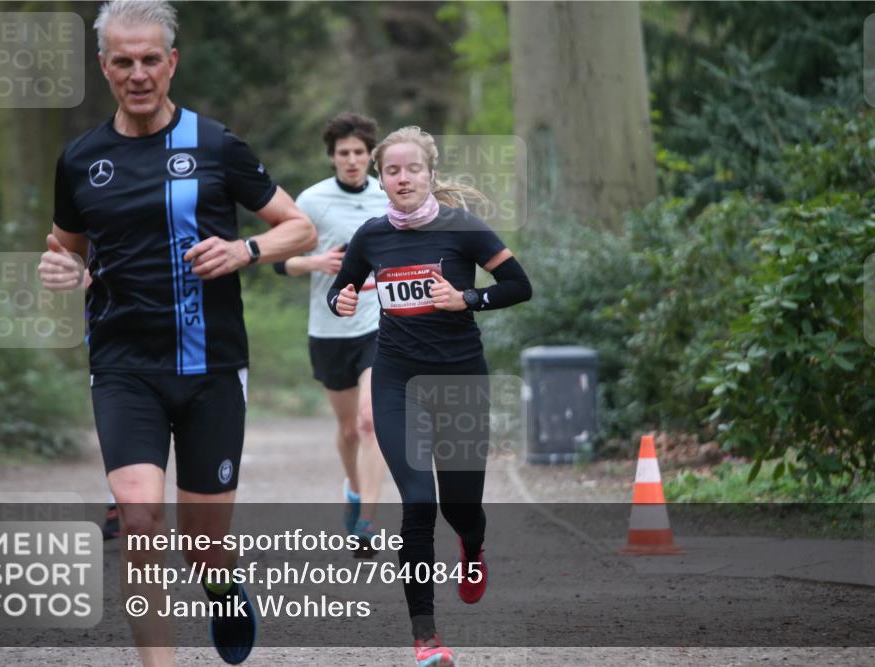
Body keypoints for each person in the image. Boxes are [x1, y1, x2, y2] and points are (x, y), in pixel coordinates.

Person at [37, 2, 316, 665]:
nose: (138, 74)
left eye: (150, 60)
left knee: (202, 544)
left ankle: (220, 583)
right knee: (138, 520)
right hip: (124, 364)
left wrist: (245, 250)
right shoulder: (80, 160)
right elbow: (66, 245)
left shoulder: (216, 144)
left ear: (172, 63)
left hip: (211, 366)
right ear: (104, 67)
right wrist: (63, 267)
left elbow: (299, 226)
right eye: (123, 61)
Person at [328, 127, 532, 667]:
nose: (402, 178)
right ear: (381, 179)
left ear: (430, 175)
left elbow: (518, 285)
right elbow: (341, 287)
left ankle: (471, 545)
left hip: (461, 380)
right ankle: (426, 638)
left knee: (459, 505)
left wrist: (466, 297)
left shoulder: (463, 228)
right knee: (418, 502)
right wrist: (341, 300)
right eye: (391, 171)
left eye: (412, 169)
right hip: (397, 381)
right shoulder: (371, 236)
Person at [273, 112, 388, 553]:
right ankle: (355, 490)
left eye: (360, 152)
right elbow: (282, 261)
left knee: (370, 421)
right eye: (344, 153)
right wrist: (315, 263)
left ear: (370, 156)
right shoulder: (313, 201)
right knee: (348, 430)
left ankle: (368, 521)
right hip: (329, 328)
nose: (353, 160)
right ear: (332, 157)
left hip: (380, 324)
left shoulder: (387, 197)